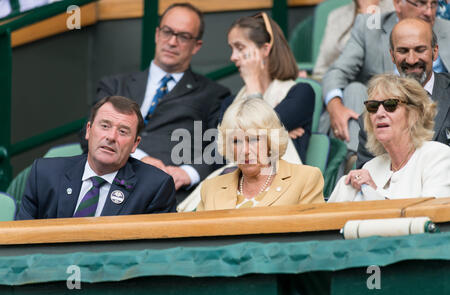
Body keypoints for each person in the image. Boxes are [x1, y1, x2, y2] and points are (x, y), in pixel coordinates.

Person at [81, 3, 231, 203]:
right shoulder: (115, 85)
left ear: (197, 46)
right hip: (107, 178)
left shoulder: (213, 94)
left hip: (167, 191)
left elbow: (221, 147)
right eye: (167, 32)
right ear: (157, 34)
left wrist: (187, 173)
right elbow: (88, 134)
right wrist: (140, 158)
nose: (172, 42)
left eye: (183, 36)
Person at [321, 0, 450, 156]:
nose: (429, 12)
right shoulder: (371, 26)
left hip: (438, 110)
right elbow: (337, 71)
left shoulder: (447, 29)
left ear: (434, 51)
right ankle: (355, 160)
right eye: (420, 3)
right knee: (354, 90)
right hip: (384, 112)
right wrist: (335, 105)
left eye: (434, 4)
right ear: (397, 4)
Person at [16, 96, 177, 220]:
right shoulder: (45, 174)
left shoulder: (155, 187)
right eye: (105, 126)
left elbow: (155, 255)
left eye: (123, 131)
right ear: (88, 130)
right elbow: (20, 240)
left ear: (135, 144)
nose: (111, 137)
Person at [328, 74, 450, 202]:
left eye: (390, 105)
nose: (379, 114)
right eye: (373, 106)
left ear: (414, 115)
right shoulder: (370, 167)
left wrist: (375, 191)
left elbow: (431, 215)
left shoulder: (439, 157)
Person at [197, 99, 324, 211]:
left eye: (253, 140)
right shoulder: (210, 188)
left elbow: (311, 234)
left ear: (270, 141)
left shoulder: (306, 179)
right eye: (237, 141)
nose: (245, 151)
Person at [221, 12, 315, 163]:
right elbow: (221, 150)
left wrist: (252, 80)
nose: (233, 56)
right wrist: (273, 133)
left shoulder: (301, 93)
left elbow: (255, 138)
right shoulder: (229, 103)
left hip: (283, 182)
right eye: (232, 48)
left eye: (240, 48)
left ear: (265, 50)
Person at [356, 18, 450, 168]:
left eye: (420, 50)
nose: (412, 60)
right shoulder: (374, 114)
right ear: (392, 55)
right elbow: (367, 174)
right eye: (403, 51)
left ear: (435, 51)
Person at [313, 0, 394, 79]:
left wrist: (370, 11)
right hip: (332, 83)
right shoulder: (336, 15)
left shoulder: (395, 9)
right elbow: (320, 69)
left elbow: (378, 62)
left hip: (376, 86)